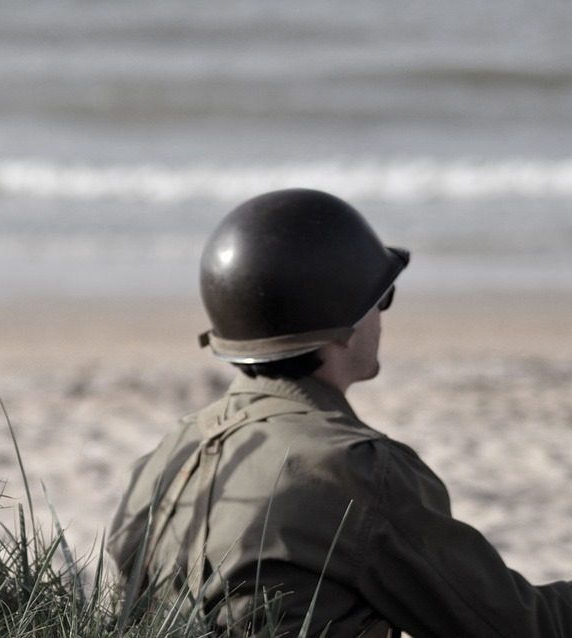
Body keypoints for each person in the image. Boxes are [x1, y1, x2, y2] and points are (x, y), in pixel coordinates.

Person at [108, 188, 572, 637]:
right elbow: (520, 626)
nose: (383, 316)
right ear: (344, 324)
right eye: (381, 298)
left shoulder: (165, 457)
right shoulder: (354, 470)